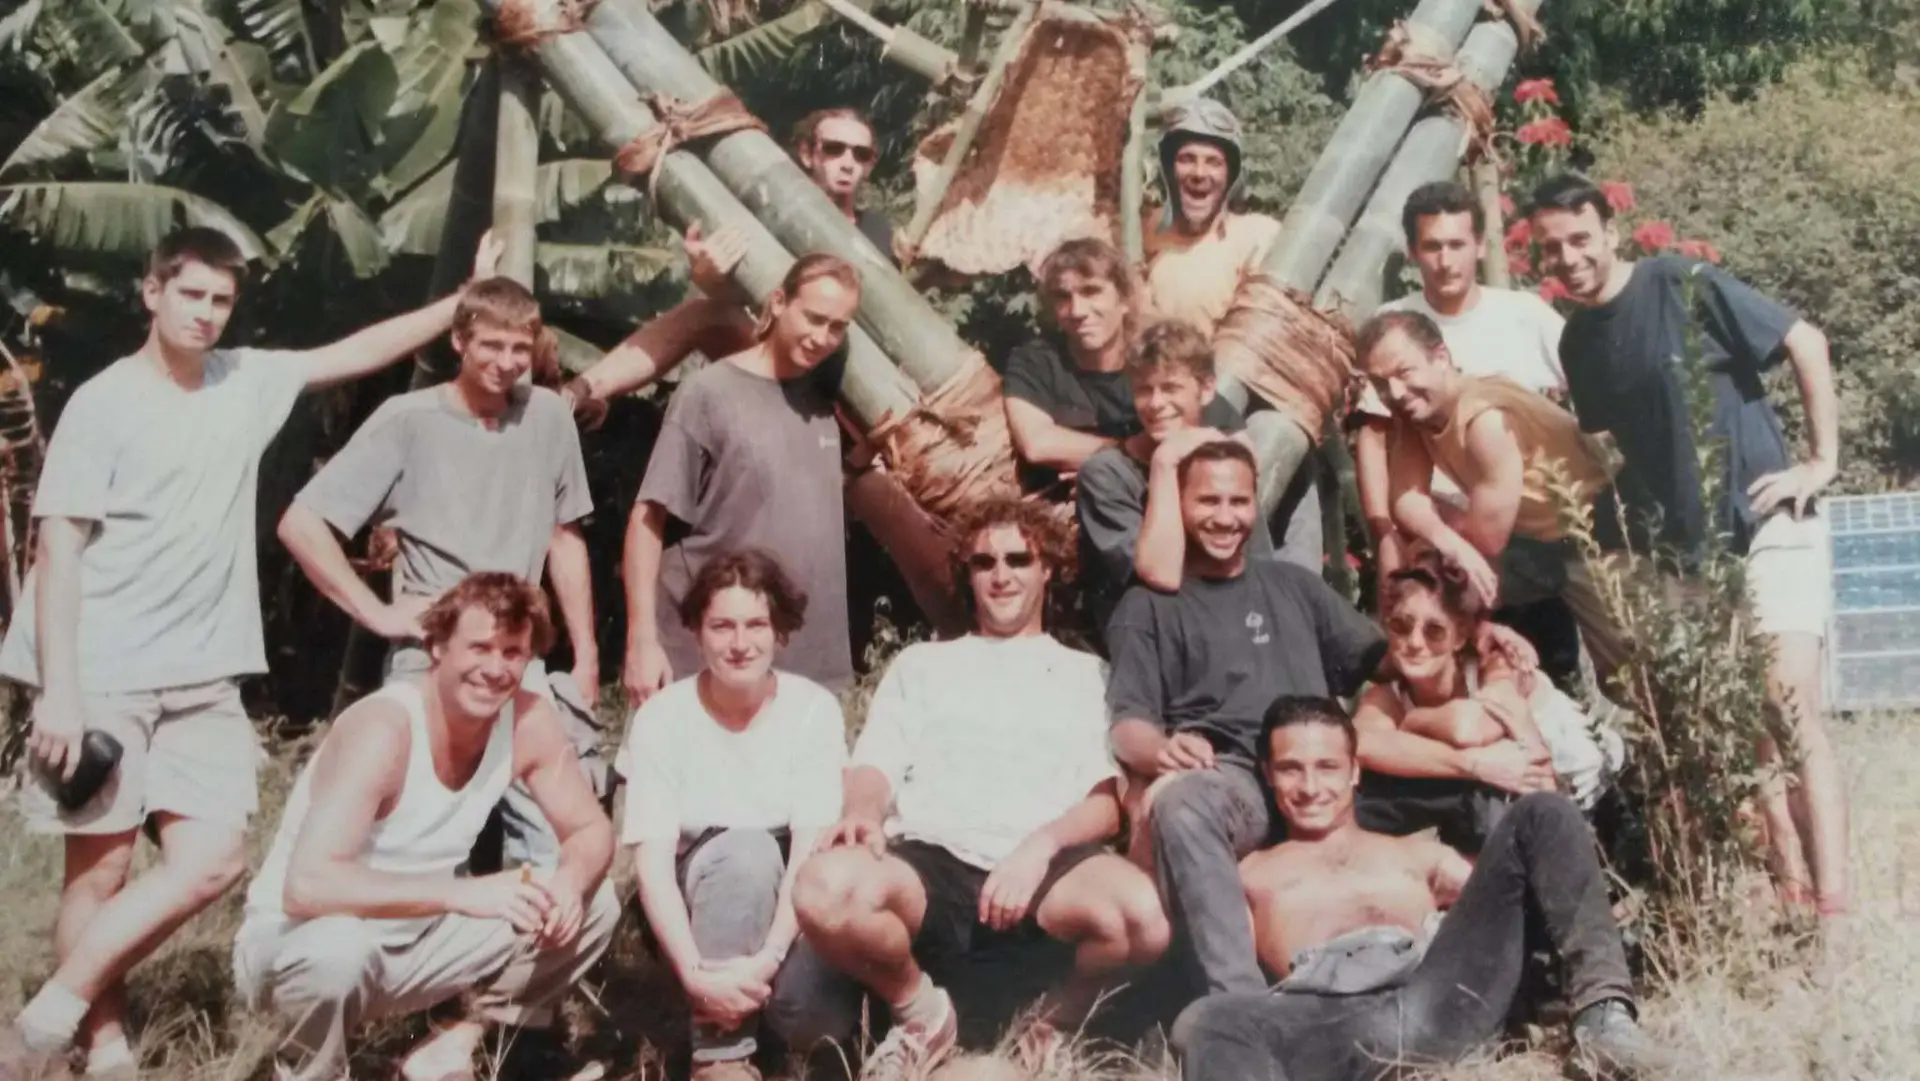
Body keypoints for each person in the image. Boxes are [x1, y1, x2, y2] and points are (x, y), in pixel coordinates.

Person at [0, 227, 501, 1077]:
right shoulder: (104, 402)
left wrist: (464, 302)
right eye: (189, 294)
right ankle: (104, 1037)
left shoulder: (244, 381)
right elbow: (59, 547)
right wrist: (59, 690)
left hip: (202, 675)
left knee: (216, 860)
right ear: (152, 293)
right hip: (103, 667)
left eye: (220, 301)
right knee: (102, 866)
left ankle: (42, 1021)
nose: (203, 314)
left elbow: (351, 351)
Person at [1528, 172, 1850, 918]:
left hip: (1767, 522)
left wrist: (1820, 461)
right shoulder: (1578, 341)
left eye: (1581, 239)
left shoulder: (1680, 282)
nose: (1570, 258)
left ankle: (1835, 915)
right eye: (1551, 249)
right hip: (1684, 557)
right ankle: (1791, 897)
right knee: (1744, 732)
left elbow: (1806, 341)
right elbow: (1618, 454)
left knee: (1787, 705)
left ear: (1611, 231)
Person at [784, 498, 1169, 1077]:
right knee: (821, 889)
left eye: (1019, 559)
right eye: (984, 562)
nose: (1002, 574)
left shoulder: (1084, 672)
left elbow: (1103, 805)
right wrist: (862, 812)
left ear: (1048, 570)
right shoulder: (922, 665)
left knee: (1143, 918)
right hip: (930, 861)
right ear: (968, 574)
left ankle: (1051, 1025)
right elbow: (874, 764)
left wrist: (1036, 850)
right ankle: (921, 1013)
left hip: (1045, 872)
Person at [231, 574, 618, 1081]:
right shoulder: (385, 728)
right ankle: (310, 1070)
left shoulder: (527, 719)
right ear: (436, 645)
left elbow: (591, 830)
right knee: (338, 949)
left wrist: (568, 883)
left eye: (512, 652)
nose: (495, 669)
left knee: (595, 901)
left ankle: (454, 1042)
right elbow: (307, 887)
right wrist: (460, 894)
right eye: (479, 648)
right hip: (297, 946)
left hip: (417, 942)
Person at [1172, 696, 1673, 1081]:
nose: (1309, 786)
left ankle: (1604, 1019)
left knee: (1542, 813)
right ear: (1267, 775)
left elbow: (1512, 899)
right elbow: (1234, 974)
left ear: (1354, 772)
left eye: (1327, 767)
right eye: (1290, 769)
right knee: (1205, 1018)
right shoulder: (1250, 873)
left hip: (1435, 997)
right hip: (1328, 1020)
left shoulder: (1413, 854)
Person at [278, 275, 602, 869]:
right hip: (429, 658)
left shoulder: (548, 417)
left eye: (519, 349)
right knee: (412, 839)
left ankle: (532, 957)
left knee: (560, 839)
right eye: (492, 346)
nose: (507, 363)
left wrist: (584, 655)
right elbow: (302, 523)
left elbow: (564, 537)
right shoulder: (408, 420)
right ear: (459, 340)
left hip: (517, 658)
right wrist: (374, 611)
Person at [1104, 439, 1391, 998]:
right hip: (1241, 779)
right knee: (1185, 803)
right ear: (1177, 504)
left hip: (1328, 769)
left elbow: (1385, 659)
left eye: (1239, 502)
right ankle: (1240, 1008)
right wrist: (1165, 750)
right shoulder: (1147, 606)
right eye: (1207, 501)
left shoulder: (1294, 586)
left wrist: (1481, 643)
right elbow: (1127, 726)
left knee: (1494, 769)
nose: (1225, 517)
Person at [614, 550, 849, 1081]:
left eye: (755, 625)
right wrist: (696, 976)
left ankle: (768, 1021)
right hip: (703, 898)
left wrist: (766, 960)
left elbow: (810, 849)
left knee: (810, 1019)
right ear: (697, 632)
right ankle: (721, 1055)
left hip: (794, 902)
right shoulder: (662, 718)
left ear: (779, 632)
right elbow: (650, 865)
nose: (740, 644)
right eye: (721, 626)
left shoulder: (812, 710)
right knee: (745, 853)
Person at [1354, 180, 1580, 679]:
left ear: (1479, 244)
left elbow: (1585, 394)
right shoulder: (1392, 326)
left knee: (1543, 660)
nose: (1445, 260)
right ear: (1413, 252)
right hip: (1435, 531)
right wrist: (1387, 532)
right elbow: (1375, 437)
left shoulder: (1522, 316)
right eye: (1431, 246)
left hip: (1528, 528)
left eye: (1457, 244)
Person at [622, 254, 861, 703]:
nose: (822, 338)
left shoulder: (826, 404)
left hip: (809, 668)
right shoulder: (709, 393)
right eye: (813, 318)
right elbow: (647, 520)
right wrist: (642, 640)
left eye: (837, 327)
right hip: (712, 659)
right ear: (778, 302)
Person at [1355, 309, 1624, 684]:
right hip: (1534, 543)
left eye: (1404, 373)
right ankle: (1445, 684)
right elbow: (1405, 499)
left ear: (1441, 358)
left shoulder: (1484, 419)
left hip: (1601, 539)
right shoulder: (1419, 413)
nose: (1395, 393)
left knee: (1632, 676)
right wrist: (1450, 542)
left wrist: (1455, 545)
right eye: (1381, 384)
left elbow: (1488, 539)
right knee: (1429, 564)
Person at [1354, 552, 1624, 854]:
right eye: (1401, 626)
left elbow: (1468, 729)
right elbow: (1362, 743)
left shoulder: (1494, 665)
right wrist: (1473, 766)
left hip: (1594, 802)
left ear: (1459, 637)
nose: (1415, 642)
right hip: (1520, 802)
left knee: (1479, 788)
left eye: (1434, 631)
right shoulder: (1387, 695)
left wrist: (1410, 723)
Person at [1074, 319, 1279, 624]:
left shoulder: (1224, 465)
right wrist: (1164, 463)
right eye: (1144, 390)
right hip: (1152, 629)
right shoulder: (1106, 474)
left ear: (1207, 389)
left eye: (1171, 388)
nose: (1156, 404)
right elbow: (1161, 576)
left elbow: (1259, 568)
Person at [1002, 238, 1241, 490]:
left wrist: (1109, 462)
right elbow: (1037, 444)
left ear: (1124, 299)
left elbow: (1226, 433)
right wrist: (1124, 455)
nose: (1077, 310)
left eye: (1091, 291)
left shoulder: (1154, 354)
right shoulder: (1036, 361)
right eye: (1063, 297)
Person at [1139, 99, 1281, 340]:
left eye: (1213, 162)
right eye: (1187, 159)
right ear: (1169, 170)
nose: (1199, 173)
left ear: (1230, 176)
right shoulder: (1142, 232)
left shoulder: (1254, 238)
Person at [794, 107, 896, 264]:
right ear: (807, 154)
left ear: (869, 166)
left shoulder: (878, 231)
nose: (848, 164)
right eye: (833, 149)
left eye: (861, 154)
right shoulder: (786, 221)